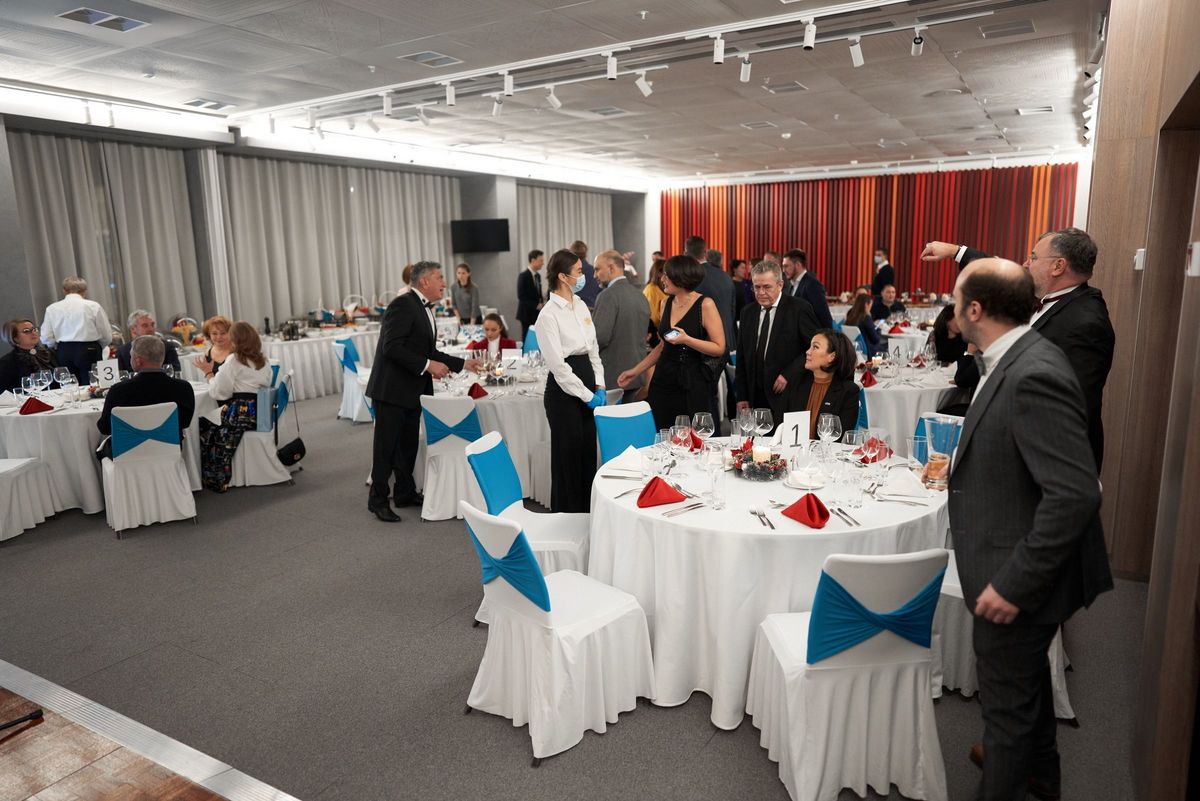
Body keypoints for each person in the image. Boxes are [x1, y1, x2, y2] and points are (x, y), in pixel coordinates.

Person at [948, 257, 1112, 801]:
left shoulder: (1032, 371)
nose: (952, 310)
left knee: (1006, 716)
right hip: (1010, 550)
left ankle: (1014, 777)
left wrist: (1013, 584)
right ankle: (1043, 775)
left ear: (975, 309)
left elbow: (1076, 493)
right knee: (1026, 684)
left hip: (1016, 572)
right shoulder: (1013, 356)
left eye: (956, 300)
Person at [921, 228, 1115, 468]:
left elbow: (1066, 408)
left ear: (1058, 266)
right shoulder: (1051, 298)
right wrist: (955, 251)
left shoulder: (1085, 323)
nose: (1025, 264)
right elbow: (1000, 271)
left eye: (1033, 257)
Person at [366, 261, 479, 522]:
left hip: (412, 389)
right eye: (440, 278)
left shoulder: (424, 308)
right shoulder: (402, 305)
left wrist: (463, 363)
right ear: (425, 281)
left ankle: (404, 492)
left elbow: (429, 352)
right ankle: (377, 500)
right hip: (391, 390)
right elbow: (391, 347)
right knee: (386, 448)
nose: (444, 283)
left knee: (407, 445)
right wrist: (428, 366)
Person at [617, 255, 726, 431]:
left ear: (680, 277)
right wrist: (635, 371)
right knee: (662, 431)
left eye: (666, 275)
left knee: (691, 434)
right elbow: (662, 346)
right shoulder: (664, 303)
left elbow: (719, 348)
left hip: (691, 381)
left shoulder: (705, 304)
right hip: (663, 378)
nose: (662, 279)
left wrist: (687, 339)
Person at [536, 249, 606, 512]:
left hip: (588, 383)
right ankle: (566, 516)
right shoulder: (548, 315)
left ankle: (588, 515)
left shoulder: (580, 305)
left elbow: (593, 348)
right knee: (568, 458)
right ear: (563, 277)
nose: (583, 275)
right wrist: (587, 396)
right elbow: (559, 368)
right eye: (578, 271)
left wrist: (600, 385)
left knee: (587, 454)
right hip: (563, 393)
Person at [734, 260, 820, 427]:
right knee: (759, 442)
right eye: (756, 287)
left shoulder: (799, 308)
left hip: (788, 394)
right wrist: (742, 395)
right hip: (755, 396)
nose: (761, 293)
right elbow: (742, 357)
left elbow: (814, 348)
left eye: (767, 287)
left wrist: (789, 374)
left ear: (780, 285)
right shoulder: (747, 313)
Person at [198, 322, 273, 492]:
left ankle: (214, 477)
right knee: (212, 421)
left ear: (235, 340)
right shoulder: (263, 359)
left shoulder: (234, 360)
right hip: (259, 412)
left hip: (239, 413)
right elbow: (266, 383)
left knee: (202, 424)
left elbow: (219, 393)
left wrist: (209, 374)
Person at [96, 336, 195, 459]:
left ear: (138, 360)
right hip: (168, 452)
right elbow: (185, 422)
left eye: (131, 356)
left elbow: (105, 428)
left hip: (127, 454)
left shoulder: (119, 391)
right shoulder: (183, 388)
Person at [592, 249, 650, 399]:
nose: (594, 275)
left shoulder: (607, 296)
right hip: (637, 375)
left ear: (611, 268)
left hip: (612, 378)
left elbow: (599, 338)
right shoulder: (641, 295)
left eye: (597, 269)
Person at [782, 330, 861, 438]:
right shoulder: (796, 382)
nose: (808, 352)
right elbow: (780, 424)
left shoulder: (848, 391)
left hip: (827, 449)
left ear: (832, 356)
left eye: (815, 347)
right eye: (810, 346)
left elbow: (841, 436)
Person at [40, 276, 112, 383]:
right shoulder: (93, 306)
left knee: (69, 385)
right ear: (85, 291)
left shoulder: (52, 308)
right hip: (89, 349)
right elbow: (105, 333)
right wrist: (101, 345)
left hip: (64, 350)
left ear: (64, 291)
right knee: (92, 384)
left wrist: (56, 346)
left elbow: (46, 336)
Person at [0, 318, 58, 392]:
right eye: (26, 331)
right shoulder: (7, 362)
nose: (34, 333)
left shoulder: (48, 353)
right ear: (15, 338)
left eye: (34, 329)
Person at [116, 310, 181, 374]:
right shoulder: (122, 352)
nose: (151, 329)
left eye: (152, 325)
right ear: (133, 329)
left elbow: (175, 372)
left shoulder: (167, 347)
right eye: (145, 326)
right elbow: (121, 376)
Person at [782, 249, 834, 328]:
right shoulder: (791, 285)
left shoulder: (812, 285)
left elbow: (824, 316)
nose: (783, 270)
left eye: (786, 266)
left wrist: (826, 335)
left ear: (798, 265)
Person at [516, 249, 545, 339]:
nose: (542, 263)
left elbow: (538, 294)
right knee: (527, 337)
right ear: (533, 260)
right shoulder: (523, 276)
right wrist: (536, 305)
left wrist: (542, 303)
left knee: (537, 337)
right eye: (540, 261)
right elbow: (521, 296)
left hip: (536, 313)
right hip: (526, 313)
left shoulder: (538, 276)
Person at [569, 240, 601, 308]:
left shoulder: (570, 271)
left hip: (576, 308)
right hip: (593, 307)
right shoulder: (594, 269)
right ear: (585, 253)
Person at [643, 257, 668, 332]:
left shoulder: (663, 288)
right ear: (659, 273)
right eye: (667, 273)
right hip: (655, 331)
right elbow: (652, 316)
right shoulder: (651, 289)